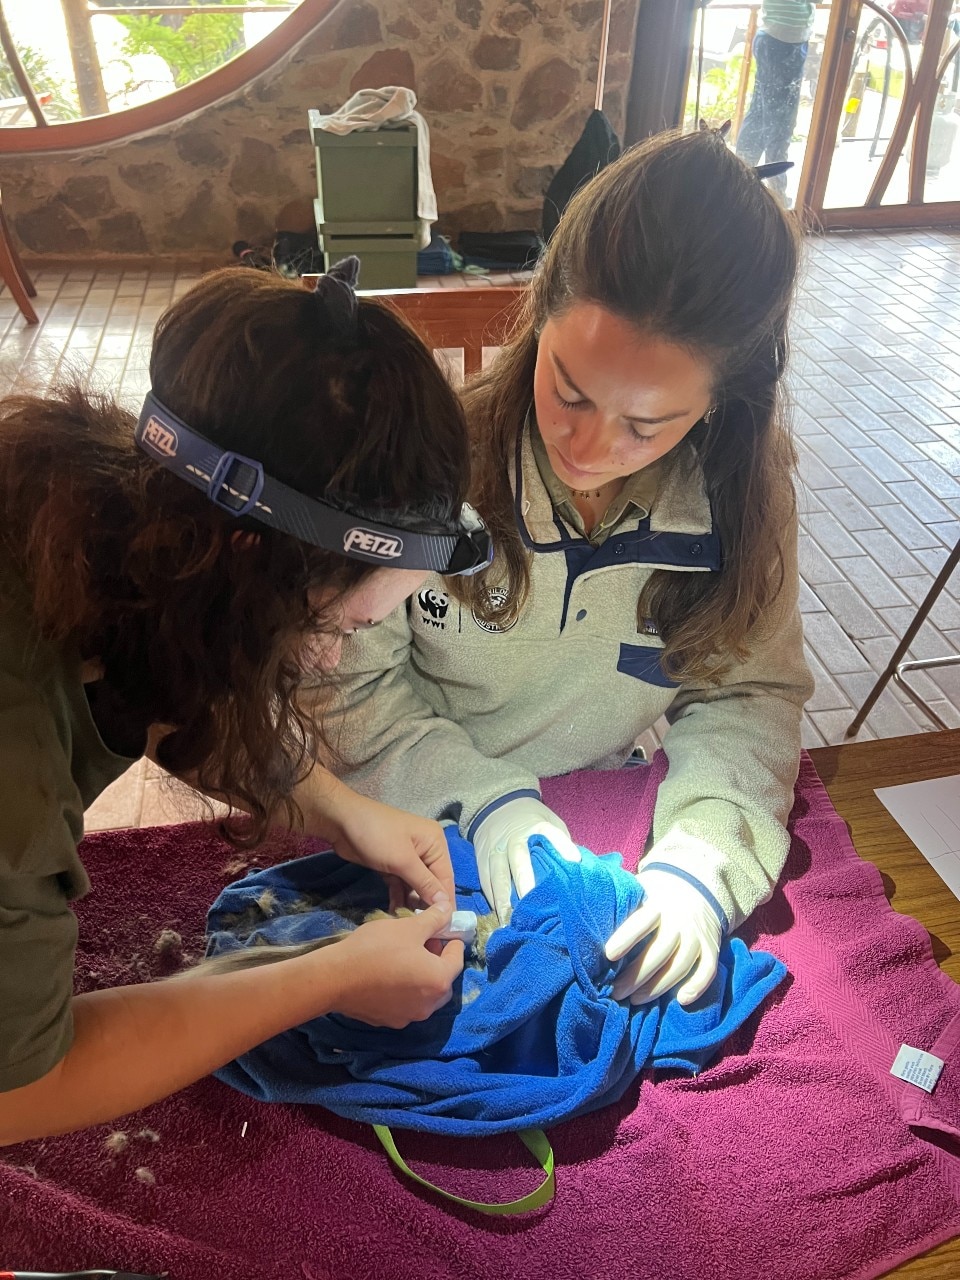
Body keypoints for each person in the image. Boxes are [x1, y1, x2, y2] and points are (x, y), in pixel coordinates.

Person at [323, 128, 814, 1013]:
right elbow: (347, 695)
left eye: (646, 425)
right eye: (569, 391)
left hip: (611, 814)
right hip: (416, 808)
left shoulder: (739, 501)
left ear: (719, 403)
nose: (586, 449)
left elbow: (748, 696)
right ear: (539, 310)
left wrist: (704, 859)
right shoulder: (430, 472)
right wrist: (485, 803)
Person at [0, 260, 489, 1144]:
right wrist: (326, 979)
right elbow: (20, 1092)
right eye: (335, 625)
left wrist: (342, 811)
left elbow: (171, 668)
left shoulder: (109, 505)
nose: (331, 658)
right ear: (244, 567)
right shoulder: (13, 769)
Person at [735, 0, 815, 201]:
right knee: (779, 123)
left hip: (784, 38)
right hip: (781, 40)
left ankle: (740, 181)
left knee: (763, 114)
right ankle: (774, 194)